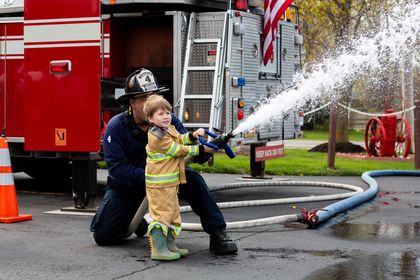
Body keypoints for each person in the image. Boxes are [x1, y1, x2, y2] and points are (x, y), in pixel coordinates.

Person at [90, 68, 238, 256]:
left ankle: (219, 234)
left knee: (194, 180)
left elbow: (185, 148)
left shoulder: (168, 120)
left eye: (154, 97)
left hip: (167, 180)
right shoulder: (116, 127)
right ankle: (138, 221)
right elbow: (119, 172)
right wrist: (155, 177)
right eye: (144, 99)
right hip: (130, 185)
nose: (151, 103)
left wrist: (206, 150)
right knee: (105, 236)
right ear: (132, 102)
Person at [143, 94, 208, 261]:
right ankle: (158, 249)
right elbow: (177, 149)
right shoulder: (156, 137)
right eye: (160, 114)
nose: (166, 116)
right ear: (150, 118)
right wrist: (200, 150)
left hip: (170, 184)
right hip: (159, 186)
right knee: (161, 215)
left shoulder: (168, 128)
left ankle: (169, 245)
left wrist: (192, 136)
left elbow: (180, 138)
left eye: (168, 112)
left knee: (173, 214)